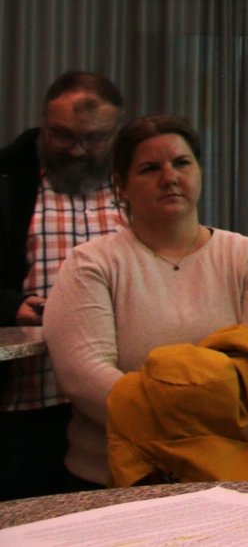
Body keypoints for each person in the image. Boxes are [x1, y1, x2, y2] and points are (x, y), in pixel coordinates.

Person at [42, 114, 248, 487]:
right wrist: (191, 416)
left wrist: (169, 414)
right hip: (112, 483)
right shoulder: (89, 264)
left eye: (181, 163)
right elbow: (84, 375)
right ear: (121, 186)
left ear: (199, 171)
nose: (169, 177)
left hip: (236, 478)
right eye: (149, 168)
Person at [0, 71, 125, 499]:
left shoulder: (139, 183)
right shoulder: (8, 179)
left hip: (117, 399)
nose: (75, 150)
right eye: (62, 135)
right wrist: (9, 305)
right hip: (29, 401)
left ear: (116, 132)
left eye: (94, 139)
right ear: (43, 122)